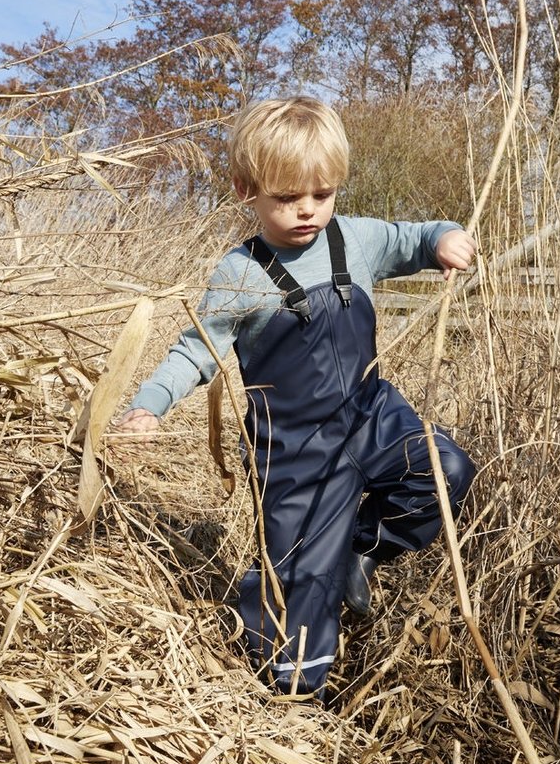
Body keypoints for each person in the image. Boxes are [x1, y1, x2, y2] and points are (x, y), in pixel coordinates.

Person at [115, 96, 477, 701]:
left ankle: (358, 551)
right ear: (245, 189)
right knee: (298, 598)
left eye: (322, 193)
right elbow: (196, 350)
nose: (307, 210)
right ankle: (288, 698)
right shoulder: (239, 274)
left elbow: (418, 237)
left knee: (444, 472)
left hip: (371, 417)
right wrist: (149, 404)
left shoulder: (357, 240)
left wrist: (446, 239)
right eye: (286, 198)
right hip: (294, 456)